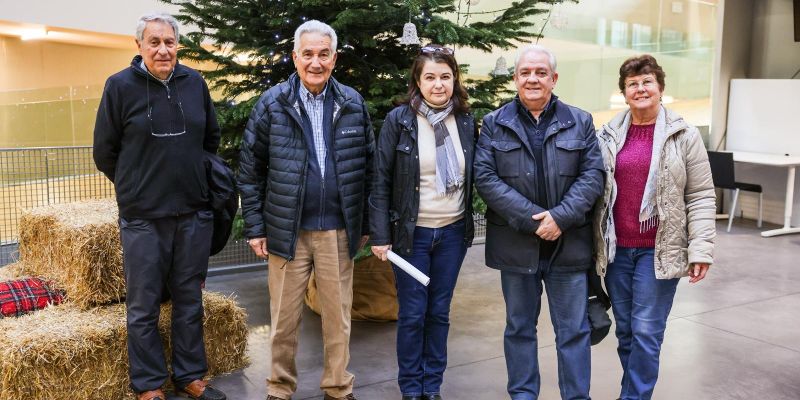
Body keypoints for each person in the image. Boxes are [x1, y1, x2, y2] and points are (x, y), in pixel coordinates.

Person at [238, 20, 374, 400]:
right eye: (308, 54)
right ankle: (279, 387)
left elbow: (370, 168)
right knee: (283, 320)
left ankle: (338, 386)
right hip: (287, 231)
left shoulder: (351, 103)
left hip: (337, 231)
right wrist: (255, 226)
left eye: (324, 54)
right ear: (295, 57)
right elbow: (250, 170)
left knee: (338, 319)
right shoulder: (273, 104)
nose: (316, 62)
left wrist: (365, 222)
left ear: (335, 57)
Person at [93, 13, 226, 400]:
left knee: (189, 298)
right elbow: (105, 152)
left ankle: (190, 374)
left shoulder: (194, 82)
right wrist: (136, 186)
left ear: (177, 45)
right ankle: (149, 385)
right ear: (139, 46)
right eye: (154, 42)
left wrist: (194, 182)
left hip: (192, 213)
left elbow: (210, 140)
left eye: (169, 42)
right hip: (143, 217)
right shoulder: (118, 87)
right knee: (143, 304)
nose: (163, 49)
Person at [473, 44, 604, 400]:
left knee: (573, 331)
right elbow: (485, 178)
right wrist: (535, 222)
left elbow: (593, 176)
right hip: (516, 247)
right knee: (519, 328)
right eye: (526, 73)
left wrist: (560, 217)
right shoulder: (495, 124)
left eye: (540, 73)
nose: (533, 79)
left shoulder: (580, 121)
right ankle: (523, 395)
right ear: (515, 78)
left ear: (553, 78)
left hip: (568, 245)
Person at [593, 54, 715, 400]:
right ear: (624, 92)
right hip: (617, 249)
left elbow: (702, 195)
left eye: (647, 81)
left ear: (660, 88)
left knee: (647, 331)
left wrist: (700, 248)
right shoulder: (609, 135)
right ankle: (633, 392)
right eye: (632, 83)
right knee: (628, 331)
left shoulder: (683, 135)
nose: (640, 88)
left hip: (657, 249)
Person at [370, 45, 477, 400]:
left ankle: (432, 388)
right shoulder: (398, 122)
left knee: (440, 313)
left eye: (445, 77)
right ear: (418, 81)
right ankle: (411, 389)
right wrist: (380, 235)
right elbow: (380, 180)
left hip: (452, 234)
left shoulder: (463, 121)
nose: (438, 85)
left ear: (454, 79)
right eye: (430, 77)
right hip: (410, 236)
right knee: (413, 314)